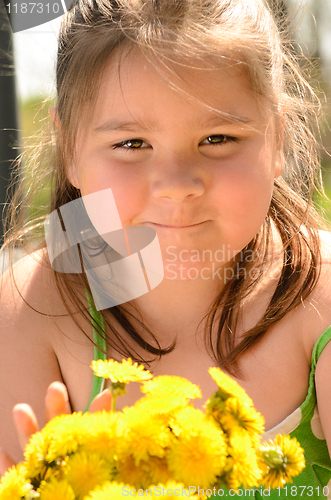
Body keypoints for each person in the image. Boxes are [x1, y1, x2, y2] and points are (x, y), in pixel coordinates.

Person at [1, 0, 331, 496]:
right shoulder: (30, 305)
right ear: (69, 149)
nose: (177, 185)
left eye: (217, 137)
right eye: (132, 144)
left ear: (278, 137)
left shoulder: (318, 293)